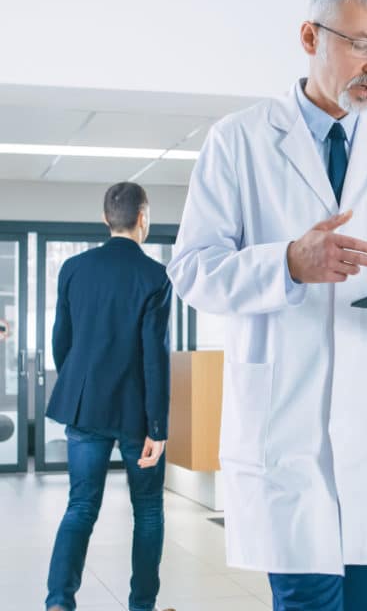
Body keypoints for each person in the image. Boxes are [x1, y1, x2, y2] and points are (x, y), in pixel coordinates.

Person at [167, 0, 367, 608]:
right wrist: (286, 263)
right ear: (310, 37)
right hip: (287, 429)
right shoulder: (239, 140)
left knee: (354, 602)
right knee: (310, 599)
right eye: (362, 45)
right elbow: (193, 270)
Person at [45, 182, 173, 611]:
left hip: (87, 406)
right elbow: (154, 356)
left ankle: (59, 603)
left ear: (105, 219)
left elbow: (61, 341)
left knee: (80, 506)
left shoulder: (74, 268)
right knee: (149, 511)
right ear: (143, 218)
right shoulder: (155, 276)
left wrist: (80, 382)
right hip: (137, 411)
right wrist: (158, 425)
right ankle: (142, 605)